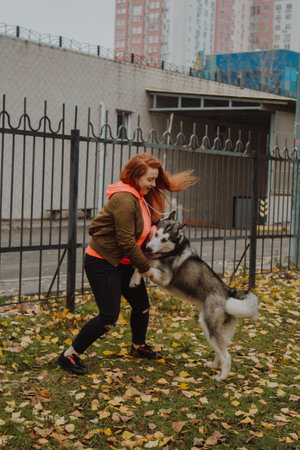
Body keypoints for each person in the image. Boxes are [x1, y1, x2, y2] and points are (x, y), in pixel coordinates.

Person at [57, 153, 196, 375]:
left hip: (123, 262)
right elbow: (124, 241)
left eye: (155, 179)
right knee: (108, 316)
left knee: (142, 306)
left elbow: (137, 232)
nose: (153, 184)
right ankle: (69, 355)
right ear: (135, 176)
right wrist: (146, 269)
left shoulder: (139, 197)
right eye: (149, 179)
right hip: (102, 262)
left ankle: (138, 346)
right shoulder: (124, 199)